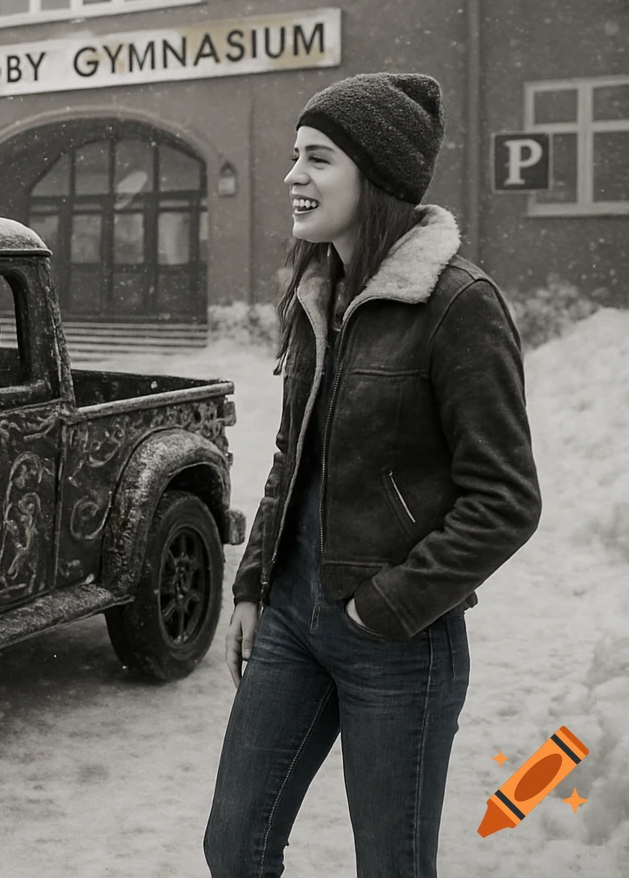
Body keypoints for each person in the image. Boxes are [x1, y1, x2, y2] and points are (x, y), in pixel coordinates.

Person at [202, 73, 543, 877]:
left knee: (392, 866)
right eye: (294, 157)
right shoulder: (321, 291)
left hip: (397, 642)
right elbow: (295, 453)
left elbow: (506, 500)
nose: (293, 176)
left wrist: (384, 607)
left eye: (318, 158)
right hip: (291, 620)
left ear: (376, 177)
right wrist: (255, 586)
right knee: (234, 845)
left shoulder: (458, 306)